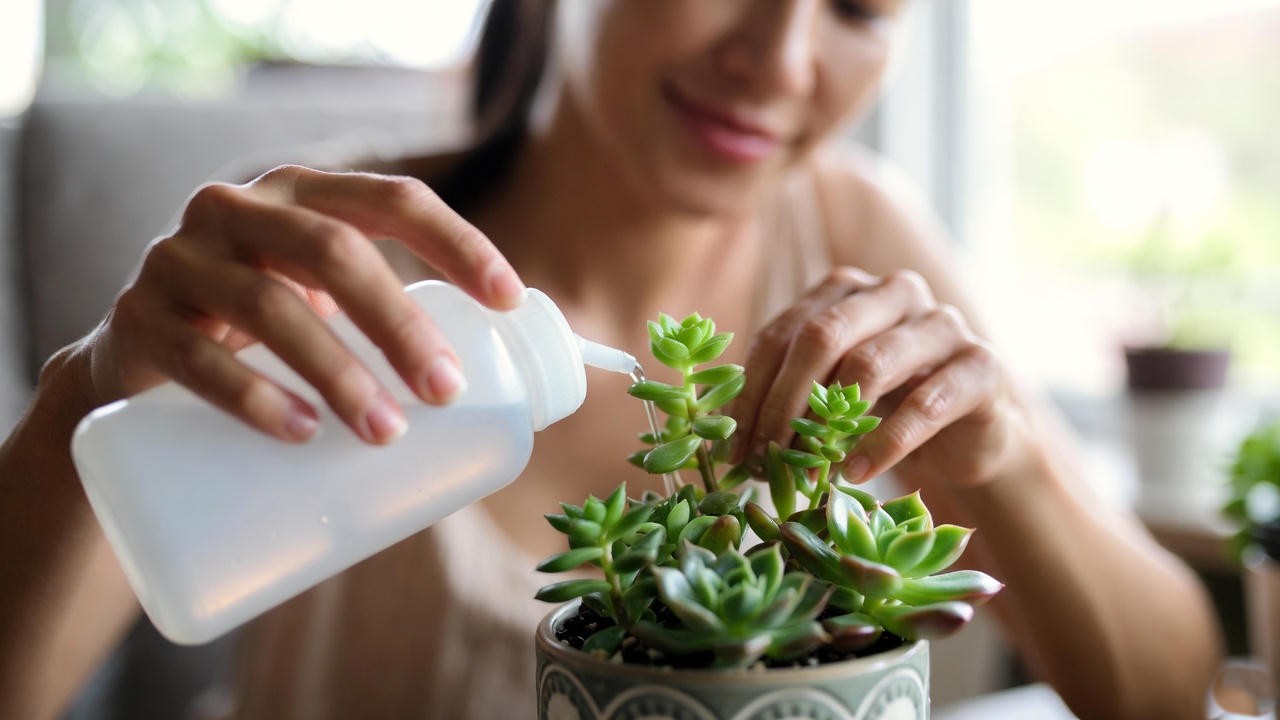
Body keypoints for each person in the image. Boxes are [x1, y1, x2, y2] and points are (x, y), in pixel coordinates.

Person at [0, 1, 1223, 718]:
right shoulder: (341, 257)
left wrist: (998, 452)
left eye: (855, 4)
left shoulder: (858, 231)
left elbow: (1167, 692)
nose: (782, 59)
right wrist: (97, 397)